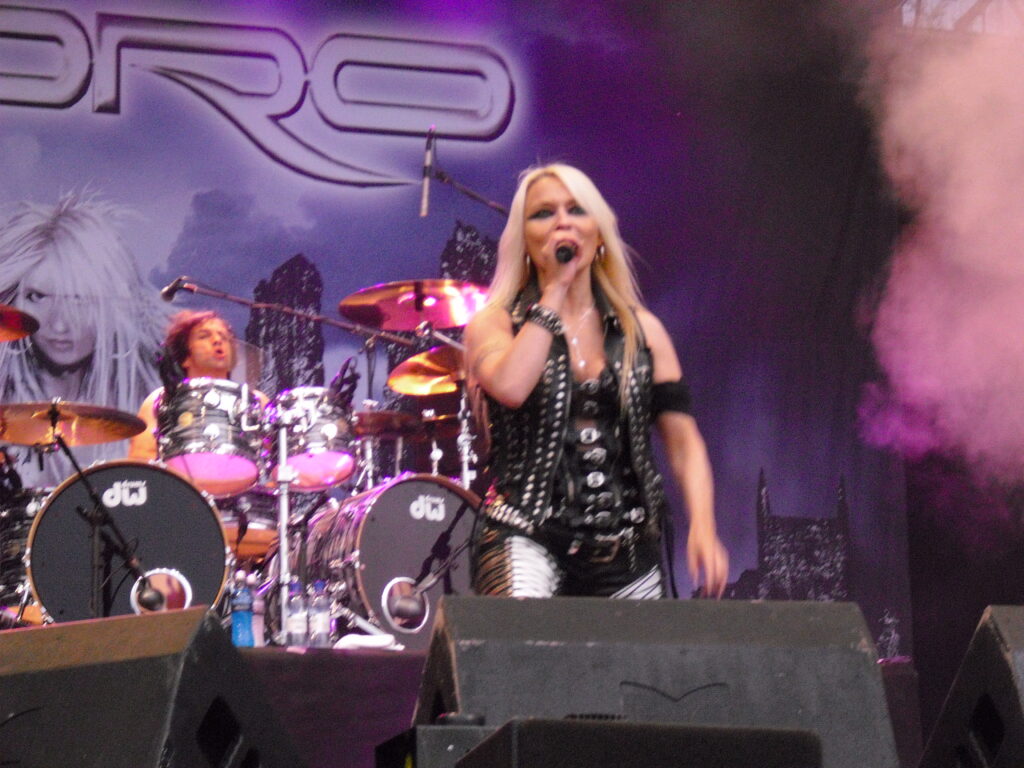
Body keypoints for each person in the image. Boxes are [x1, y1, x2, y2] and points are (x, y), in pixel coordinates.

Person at [465, 163, 729, 599]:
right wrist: (555, 290)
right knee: (521, 639)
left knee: (636, 647)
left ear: (599, 232)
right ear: (524, 239)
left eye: (576, 210)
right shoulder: (495, 324)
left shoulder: (642, 331)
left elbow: (683, 441)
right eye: (543, 213)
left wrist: (703, 524)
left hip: (626, 547)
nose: (562, 222)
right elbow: (511, 387)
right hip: (526, 533)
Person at [0, 194, 166, 487]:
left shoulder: (151, 402)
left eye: (80, 299)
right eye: (38, 296)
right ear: (13, 299)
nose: (60, 324)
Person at [129, 309, 263, 461]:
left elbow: (275, 463)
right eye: (204, 336)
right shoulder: (160, 399)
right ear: (185, 357)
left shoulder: (256, 401)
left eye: (224, 337)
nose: (217, 340)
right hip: (176, 476)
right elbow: (141, 459)